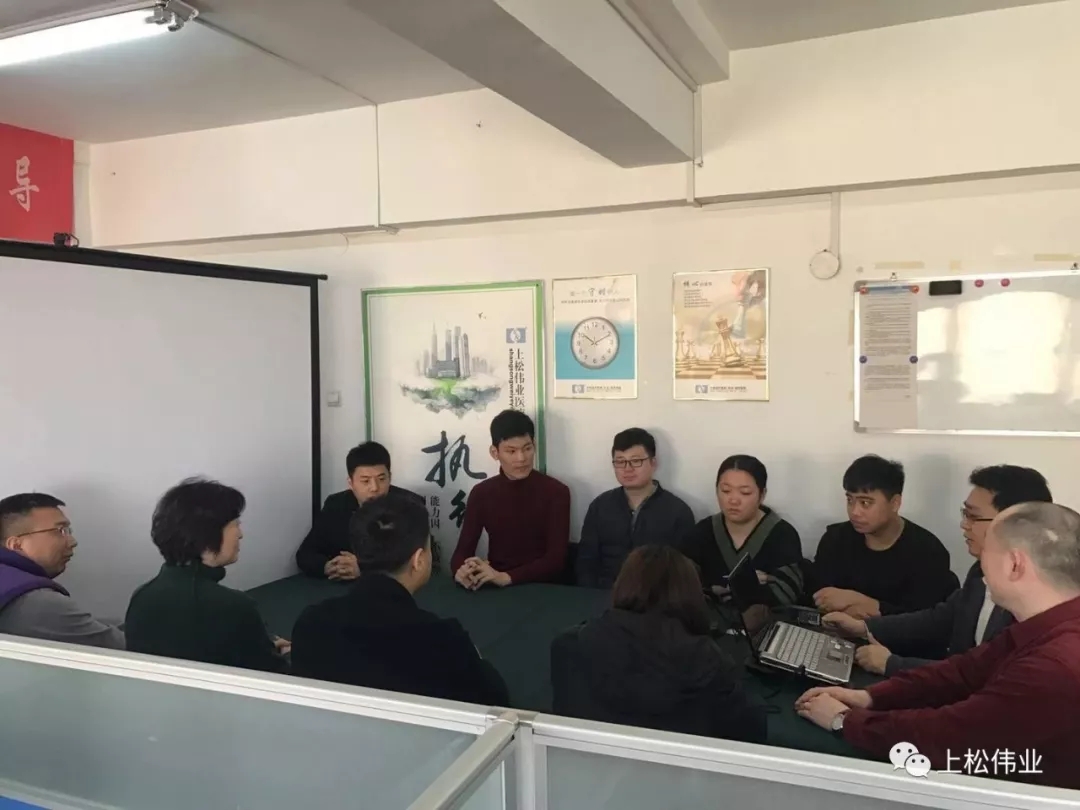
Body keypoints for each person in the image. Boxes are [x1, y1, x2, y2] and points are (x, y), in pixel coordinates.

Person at [796, 502, 1080, 790]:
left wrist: (845, 721)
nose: (980, 563)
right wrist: (870, 698)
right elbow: (963, 672)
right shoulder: (1041, 626)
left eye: (987, 551)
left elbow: (950, 739)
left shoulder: (1054, 666)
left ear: (1015, 565)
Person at [825, 465, 1052, 676]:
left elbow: (983, 676)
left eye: (973, 516)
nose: (964, 524)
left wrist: (892, 663)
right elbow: (940, 619)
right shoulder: (981, 571)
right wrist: (863, 627)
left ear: (1015, 523)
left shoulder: (1035, 603)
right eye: (965, 513)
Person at [291, 494, 510, 705]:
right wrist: (474, 656)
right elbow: (496, 699)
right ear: (418, 560)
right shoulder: (443, 639)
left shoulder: (311, 624)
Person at [552, 545, 766, 742]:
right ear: (693, 596)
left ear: (622, 585)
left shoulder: (569, 647)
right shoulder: (711, 665)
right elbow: (752, 733)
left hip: (590, 766)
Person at [125, 478, 288, 673]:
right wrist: (286, 654)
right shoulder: (234, 606)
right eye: (235, 524)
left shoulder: (142, 596)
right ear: (208, 533)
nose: (240, 534)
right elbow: (271, 676)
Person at [811, 455, 956, 619]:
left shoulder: (928, 552)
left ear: (895, 503)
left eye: (865, 503)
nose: (855, 512)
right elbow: (819, 598)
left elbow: (925, 620)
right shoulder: (835, 539)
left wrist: (869, 605)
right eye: (850, 500)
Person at [451, 410, 570, 588]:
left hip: (544, 588)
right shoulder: (482, 493)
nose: (521, 458)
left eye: (527, 448)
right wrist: (461, 571)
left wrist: (506, 577)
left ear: (534, 446)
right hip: (497, 586)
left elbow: (555, 560)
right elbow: (462, 552)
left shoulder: (556, 492)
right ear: (494, 452)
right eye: (511, 451)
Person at [0, 493, 124, 649]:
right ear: (16, 545)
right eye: (60, 530)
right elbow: (128, 647)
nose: (72, 542)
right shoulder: (34, 601)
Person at [575, 428, 695, 588]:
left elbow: (683, 572)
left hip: (656, 596)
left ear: (653, 463)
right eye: (620, 462)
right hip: (604, 593)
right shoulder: (600, 506)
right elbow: (586, 562)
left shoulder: (678, 511)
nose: (627, 468)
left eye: (636, 461)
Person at [679, 455, 805, 606]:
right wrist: (751, 585)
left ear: (762, 495)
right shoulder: (702, 532)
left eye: (745, 493)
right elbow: (681, 586)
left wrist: (721, 589)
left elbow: (787, 592)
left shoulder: (782, 534)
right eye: (726, 491)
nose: (733, 500)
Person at [296, 441, 424, 580]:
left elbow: (419, 559)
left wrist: (364, 569)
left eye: (381, 479)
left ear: (390, 478)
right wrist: (328, 566)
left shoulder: (410, 506)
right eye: (365, 481)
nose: (374, 488)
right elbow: (305, 554)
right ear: (351, 483)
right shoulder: (335, 505)